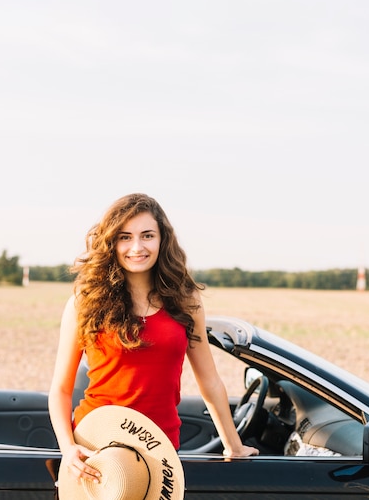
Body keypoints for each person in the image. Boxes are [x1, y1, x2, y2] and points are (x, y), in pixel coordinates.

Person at [48, 193, 258, 485]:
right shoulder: (85, 303)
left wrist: (233, 445)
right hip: (95, 447)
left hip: (159, 446)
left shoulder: (186, 302)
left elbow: (209, 381)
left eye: (147, 235)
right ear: (112, 243)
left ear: (162, 239)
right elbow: (60, 389)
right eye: (125, 237)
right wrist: (67, 448)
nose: (137, 247)